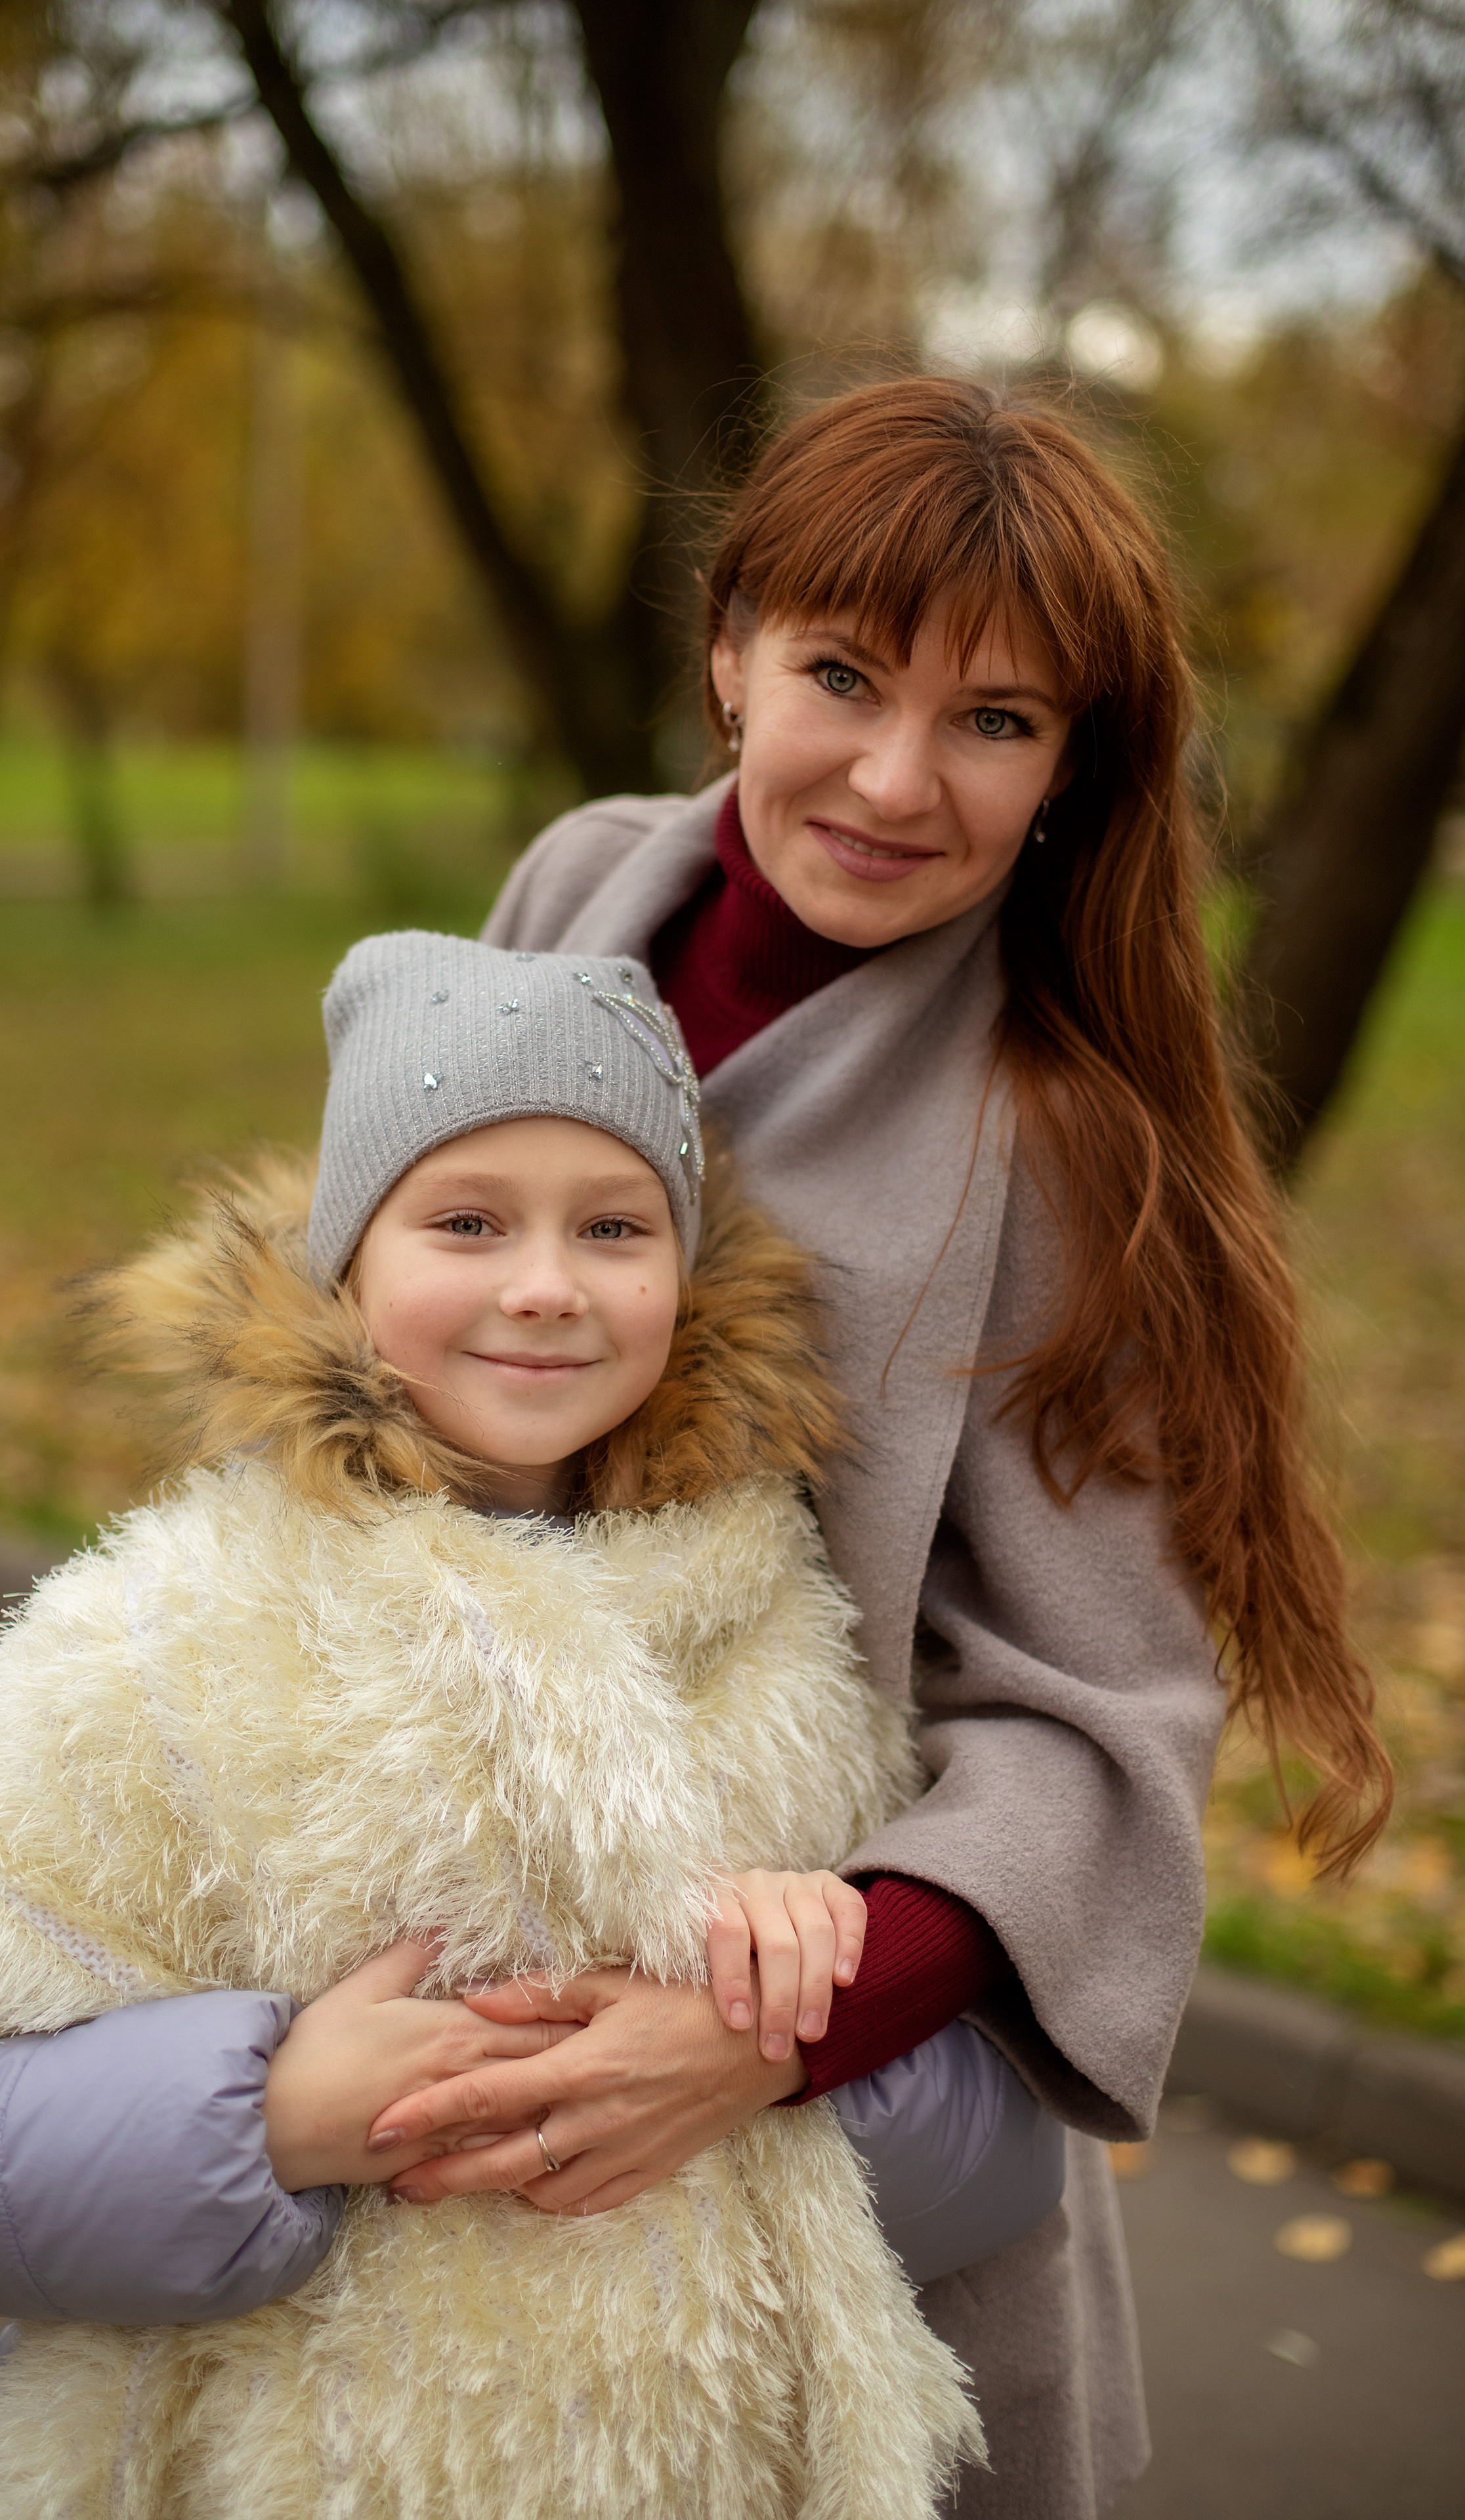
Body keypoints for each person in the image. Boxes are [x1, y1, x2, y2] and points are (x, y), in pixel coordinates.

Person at [354, 377, 1393, 2516]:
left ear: (1074, 769)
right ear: (728, 649)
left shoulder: (1057, 1146)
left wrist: (755, 2038)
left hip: (812, 2123)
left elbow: (1101, 1736)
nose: (900, 778)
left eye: (998, 721)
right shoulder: (574, 888)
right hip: (456, 1999)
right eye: (842, 676)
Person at [0, 929, 1075, 2518]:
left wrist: (808, 2025)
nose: (543, 1287)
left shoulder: (781, 1635)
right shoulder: (168, 1640)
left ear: (688, 1274)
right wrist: (267, 2114)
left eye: (614, 1227)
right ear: (348, 1262)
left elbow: (1007, 2167)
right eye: (465, 1222)